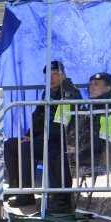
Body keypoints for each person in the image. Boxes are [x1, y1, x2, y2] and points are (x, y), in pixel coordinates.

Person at [29, 59, 82, 213]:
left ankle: (61, 199)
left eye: (55, 74)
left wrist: (40, 137)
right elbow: (38, 114)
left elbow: (61, 125)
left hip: (63, 139)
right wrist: (30, 134)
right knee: (15, 145)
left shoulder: (68, 93)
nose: (50, 78)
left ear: (63, 76)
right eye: (47, 76)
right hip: (50, 137)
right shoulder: (48, 92)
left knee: (55, 155)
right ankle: (24, 193)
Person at [75, 71, 111, 178]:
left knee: (62, 158)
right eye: (90, 84)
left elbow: (105, 138)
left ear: (107, 87)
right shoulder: (96, 104)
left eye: (96, 84)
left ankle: (62, 193)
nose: (91, 88)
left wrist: (80, 148)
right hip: (99, 150)